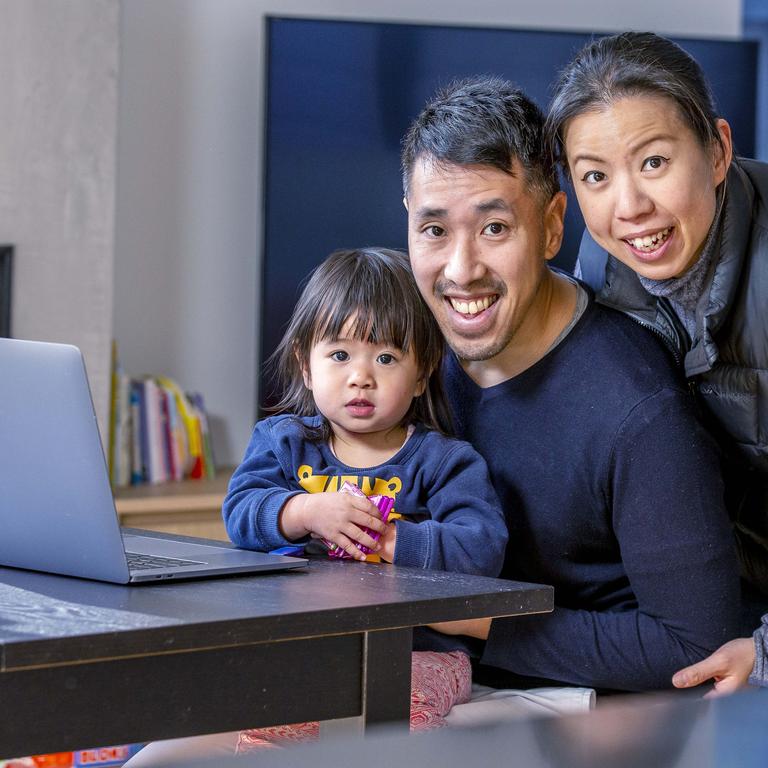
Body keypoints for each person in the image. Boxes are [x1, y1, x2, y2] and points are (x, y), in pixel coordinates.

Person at [401, 75, 740, 694]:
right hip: (412, 677)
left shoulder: (638, 409)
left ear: (553, 226)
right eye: (434, 231)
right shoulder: (404, 359)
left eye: (495, 228)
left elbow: (698, 645)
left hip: (580, 712)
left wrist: (474, 619)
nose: (461, 269)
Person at [124, 247, 507, 765]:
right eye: (340, 354)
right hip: (304, 644)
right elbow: (242, 513)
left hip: (417, 653)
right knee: (231, 695)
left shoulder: (443, 461)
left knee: (394, 721)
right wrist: (305, 510)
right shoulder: (285, 442)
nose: (361, 377)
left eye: (387, 357)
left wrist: (392, 539)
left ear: (421, 375)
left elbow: (482, 549)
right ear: (306, 364)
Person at [544, 31, 768, 694]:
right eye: (595, 177)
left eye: (654, 162)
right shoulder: (597, 275)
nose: (629, 207)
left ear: (718, 150)